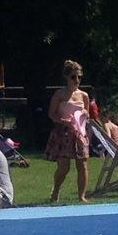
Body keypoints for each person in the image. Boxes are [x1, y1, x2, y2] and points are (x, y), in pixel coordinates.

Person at [45, 60, 91, 204]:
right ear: (66, 77)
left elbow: (87, 114)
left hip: (79, 133)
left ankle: (81, 196)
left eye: (79, 77)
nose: (76, 80)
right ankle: (56, 190)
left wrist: (84, 114)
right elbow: (51, 113)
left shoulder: (84, 95)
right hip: (63, 132)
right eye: (73, 77)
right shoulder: (59, 94)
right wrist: (62, 120)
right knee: (64, 168)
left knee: (82, 165)